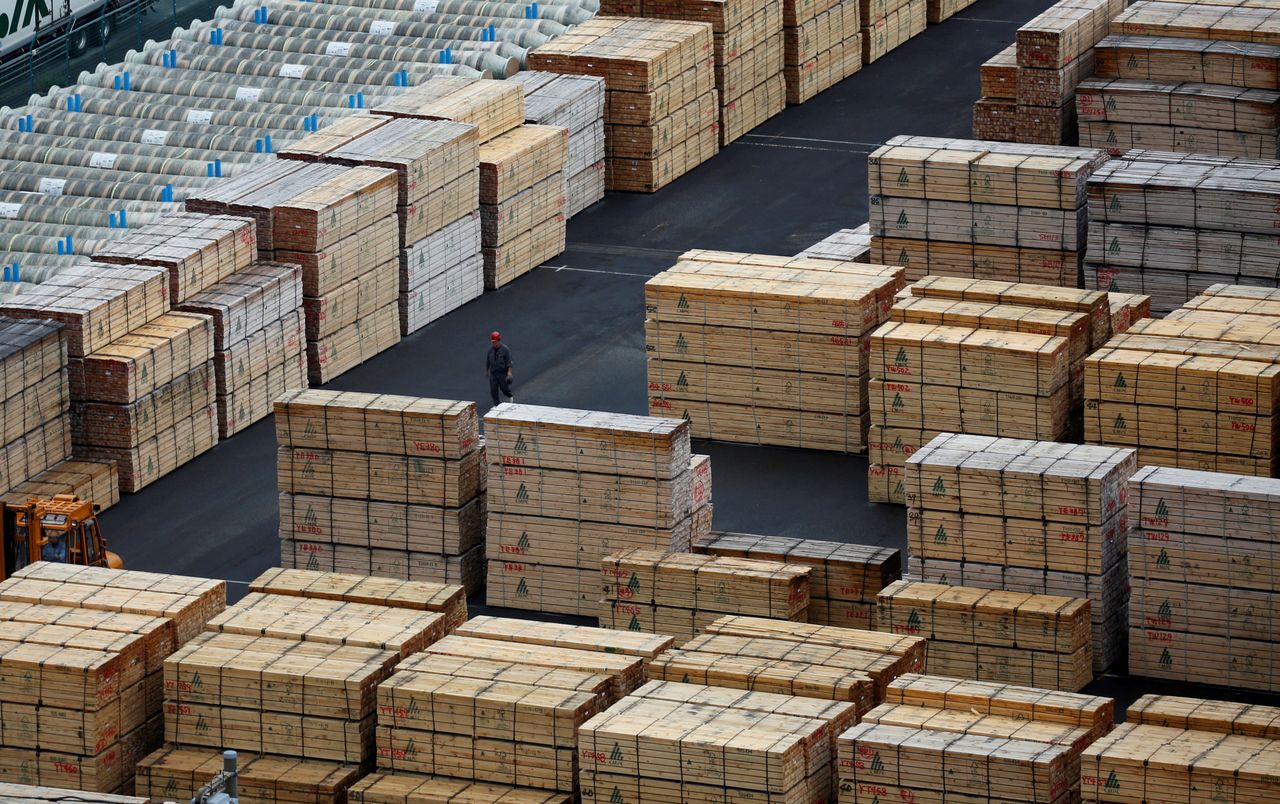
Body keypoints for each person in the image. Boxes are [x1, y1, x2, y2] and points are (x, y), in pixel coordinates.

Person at [486, 331, 514, 406]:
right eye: (492, 342)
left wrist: (509, 372)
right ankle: (496, 405)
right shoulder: (490, 351)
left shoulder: (505, 350)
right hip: (493, 374)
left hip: (502, 373)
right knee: (493, 390)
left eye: (495, 342)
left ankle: (510, 396)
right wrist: (487, 370)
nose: (494, 344)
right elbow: (488, 361)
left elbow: (509, 362)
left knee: (504, 388)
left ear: (499, 340)